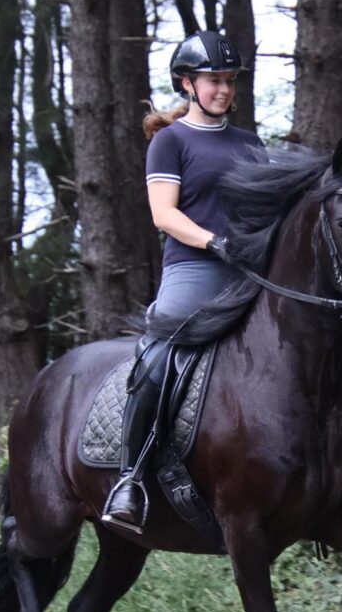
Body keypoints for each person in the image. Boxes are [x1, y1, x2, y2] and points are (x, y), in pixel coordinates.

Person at [103, 31, 264, 532]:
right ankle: (129, 480)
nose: (223, 90)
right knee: (156, 354)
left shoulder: (250, 143)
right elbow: (164, 215)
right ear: (187, 84)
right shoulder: (170, 142)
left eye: (229, 81)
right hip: (194, 269)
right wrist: (215, 242)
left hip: (246, 271)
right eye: (214, 81)